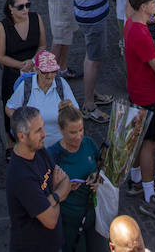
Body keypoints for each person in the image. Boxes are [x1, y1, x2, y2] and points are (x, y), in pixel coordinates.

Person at [123, 0, 155, 221]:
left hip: (136, 91)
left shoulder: (132, 24)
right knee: (149, 144)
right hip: (148, 96)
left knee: (138, 139)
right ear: (144, 7)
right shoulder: (141, 33)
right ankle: (148, 194)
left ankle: (134, 179)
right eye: (153, 4)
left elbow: (153, 52)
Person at [5, 106, 73, 252]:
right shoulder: (21, 177)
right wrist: (56, 193)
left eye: (42, 128)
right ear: (22, 136)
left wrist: (52, 199)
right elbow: (50, 220)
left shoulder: (39, 150)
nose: (44, 134)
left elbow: (66, 180)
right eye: (38, 131)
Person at [66, 0, 114, 122]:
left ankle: (91, 92)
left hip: (93, 13)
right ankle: (88, 105)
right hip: (92, 17)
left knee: (93, 56)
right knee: (93, 59)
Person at [47, 103, 104, 252]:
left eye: (81, 130)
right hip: (69, 221)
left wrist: (97, 177)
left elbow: (101, 167)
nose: (79, 136)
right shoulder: (52, 155)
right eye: (73, 132)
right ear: (61, 130)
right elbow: (41, 190)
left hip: (94, 215)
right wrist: (61, 187)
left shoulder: (88, 143)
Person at [0, 0, 47, 147]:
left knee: (34, 107)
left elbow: (42, 45)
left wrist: (32, 62)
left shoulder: (36, 18)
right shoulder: (3, 27)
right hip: (12, 74)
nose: (25, 9)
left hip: (33, 72)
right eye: (21, 7)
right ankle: (11, 143)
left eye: (27, 5)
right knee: (12, 109)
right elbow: (0, 56)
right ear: (11, 8)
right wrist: (21, 65)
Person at [6, 50, 74, 149]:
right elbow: (9, 108)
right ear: (36, 70)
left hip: (60, 147)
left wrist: (69, 110)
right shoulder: (26, 86)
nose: (50, 76)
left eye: (53, 71)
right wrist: (24, 122)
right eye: (45, 72)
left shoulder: (61, 84)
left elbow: (75, 111)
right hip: (33, 148)